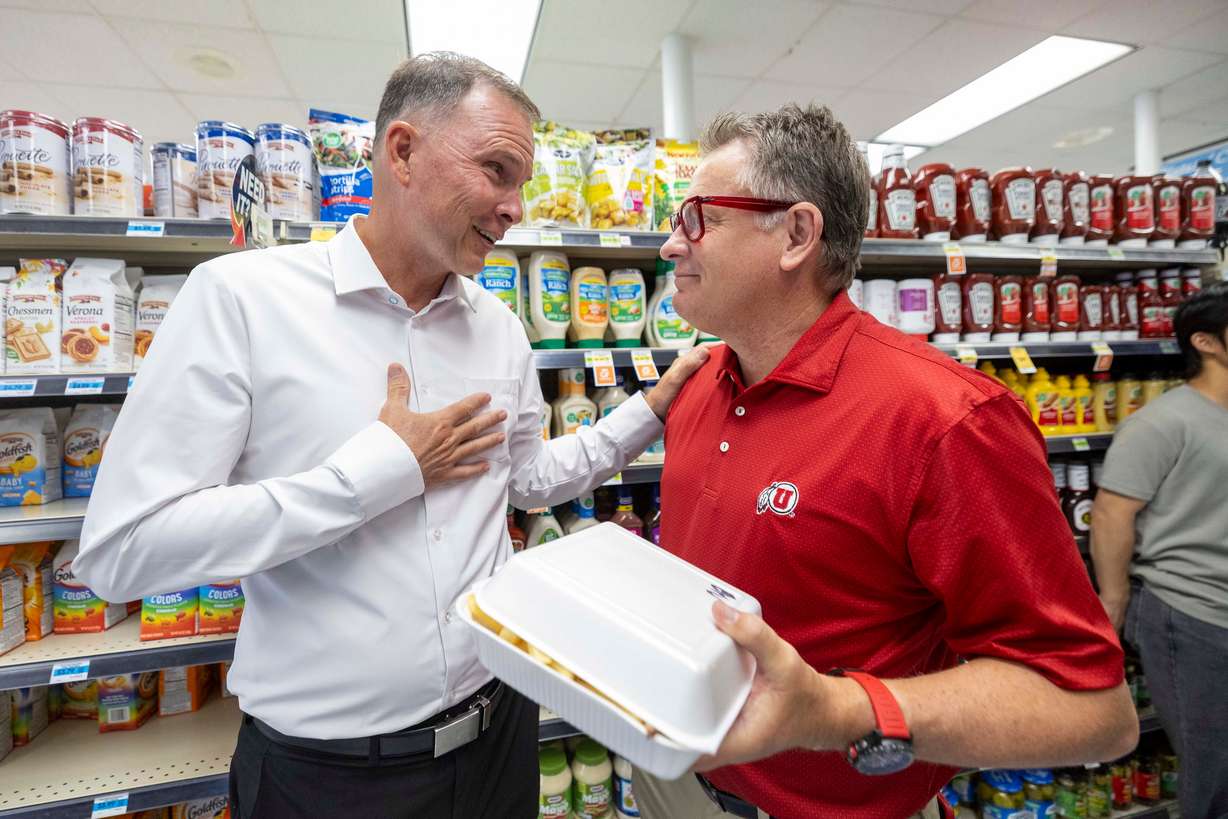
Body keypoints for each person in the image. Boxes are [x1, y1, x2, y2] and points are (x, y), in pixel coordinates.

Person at [73, 53, 706, 819]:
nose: (514, 209)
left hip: (498, 737)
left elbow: (529, 477)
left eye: (522, 184)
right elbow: (123, 548)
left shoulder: (500, 330)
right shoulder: (243, 300)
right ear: (401, 152)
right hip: (328, 779)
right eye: (497, 171)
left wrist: (652, 408)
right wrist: (375, 472)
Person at [633, 105, 1138, 819]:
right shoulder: (699, 384)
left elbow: (1093, 708)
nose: (667, 246)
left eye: (696, 219)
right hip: (675, 782)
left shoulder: (945, 420)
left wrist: (837, 708)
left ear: (797, 234)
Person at [1091, 282, 1228, 818]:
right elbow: (1111, 513)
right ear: (1206, 341)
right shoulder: (1163, 422)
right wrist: (1114, 599)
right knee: (1213, 763)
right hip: (1191, 611)